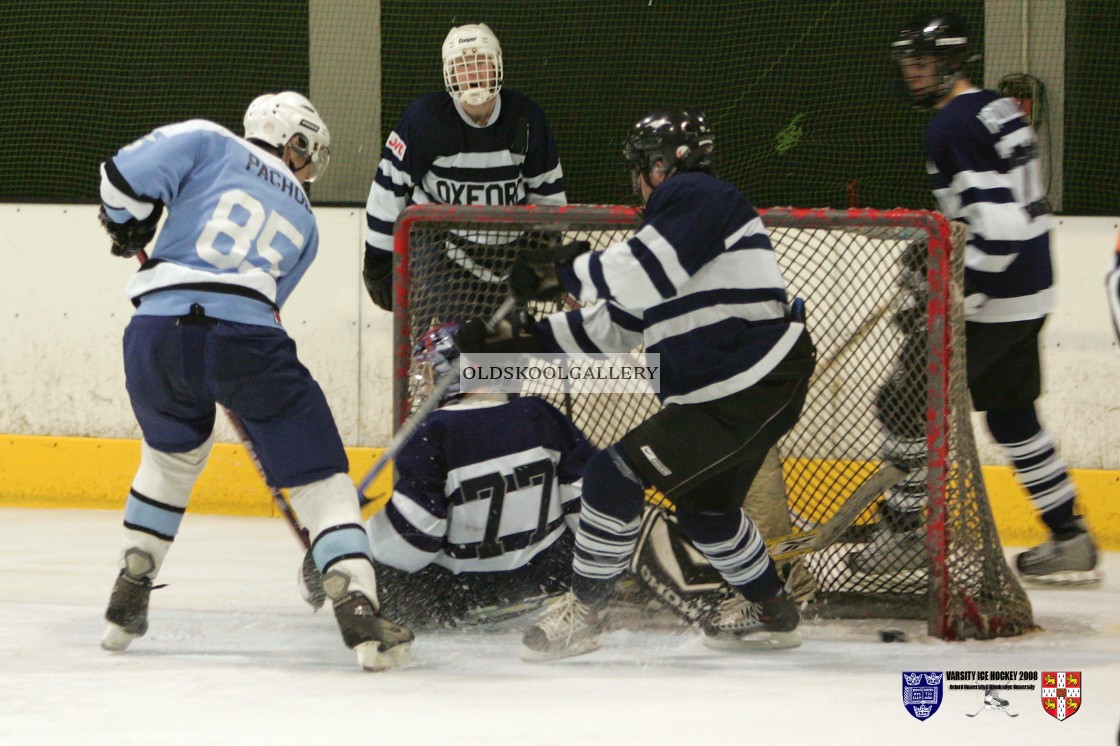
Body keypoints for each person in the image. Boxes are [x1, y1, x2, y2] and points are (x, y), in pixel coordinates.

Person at [460, 110, 817, 660]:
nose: (635, 182)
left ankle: (585, 614)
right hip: (742, 388)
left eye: (638, 168)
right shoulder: (676, 236)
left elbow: (644, 272)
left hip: (744, 382)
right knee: (707, 512)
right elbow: (612, 328)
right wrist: (516, 341)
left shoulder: (700, 195)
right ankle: (772, 607)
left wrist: (564, 271)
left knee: (614, 471)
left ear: (660, 164)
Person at [97, 91, 414, 671]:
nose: (308, 166)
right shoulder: (307, 223)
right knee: (321, 477)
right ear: (294, 140)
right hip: (245, 344)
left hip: (154, 337)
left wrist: (127, 226)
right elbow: (262, 310)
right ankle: (359, 603)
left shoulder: (205, 136)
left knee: (169, 462)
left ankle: (131, 586)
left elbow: (118, 179)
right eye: (308, 151)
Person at [888, 13, 1099, 584]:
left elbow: (998, 229)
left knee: (906, 403)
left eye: (923, 64)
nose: (912, 75)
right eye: (907, 64)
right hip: (1031, 291)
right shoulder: (998, 107)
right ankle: (1070, 536)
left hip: (992, 296)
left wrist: (954, 289)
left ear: (954, 62)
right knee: (1012, 417)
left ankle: (908, 539)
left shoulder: (952, 125)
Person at [360, 323, 596, 628]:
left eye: (433, 373)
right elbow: (588, 504)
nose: (428, 385)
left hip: (463, 595)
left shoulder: (432, 433)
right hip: (550, 579)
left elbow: (413, 543)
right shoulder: (540, 415)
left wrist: (357, 539)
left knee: (349, 558)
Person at [362, 22, 566, 317]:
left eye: (481, 62)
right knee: (454, 346)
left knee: (504, 357)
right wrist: (379, 259)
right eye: (461, 65)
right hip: (441, 249)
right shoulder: (425, 121)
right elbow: (389, 188)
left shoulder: (525, 118)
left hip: (508, 254)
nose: (472, 74)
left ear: (497, 66)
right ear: (449, 73)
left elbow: (547, 193)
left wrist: (545, 252)